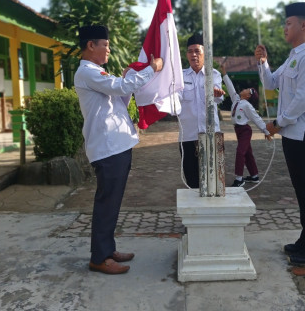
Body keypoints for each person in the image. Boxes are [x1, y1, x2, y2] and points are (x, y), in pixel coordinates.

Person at [74, 25, 163, 274]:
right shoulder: (87, 72)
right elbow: (121, 88)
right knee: (106, 202)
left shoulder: (97, 73)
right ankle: (99, 258)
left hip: (117, 145)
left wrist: (127, 80)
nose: (109, 50)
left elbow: (119, 98)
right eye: (106, 45)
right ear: (91, 45)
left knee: (112, 203)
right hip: (107, 148)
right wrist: (150, 69)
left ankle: (107, 248)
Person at [255, 2, 305, 266]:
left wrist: (278, 123)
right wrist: (263, 63)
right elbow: (271, 84)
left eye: (289, 23)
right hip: (293, 134)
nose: (285, 27)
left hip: (304, 133)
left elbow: (302, 99)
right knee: (301, 189)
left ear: (304, 25)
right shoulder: (294, 56)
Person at [178, 33, 225, 188]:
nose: (193, 55)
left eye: (197, 51)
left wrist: (216, 93)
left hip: (211, 135)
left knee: (213, 183)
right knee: (192, 182)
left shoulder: (214, 75)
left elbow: (218, 97)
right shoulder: (180, 77)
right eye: (190, 51)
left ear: (205, 53)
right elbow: (174, 100)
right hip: (188, 137)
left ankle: (213, 212)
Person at [221, 64, 271, 187]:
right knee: (247, 153)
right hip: (238, 130)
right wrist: (225, 75)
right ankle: (254, 176)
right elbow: (231, 88)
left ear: (248, 96)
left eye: (246, 90)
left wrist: (266, 131)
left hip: (245, 131)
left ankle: (239, 178)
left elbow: (256, 118)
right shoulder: (237, 100)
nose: (243, 90)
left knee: (240, 152)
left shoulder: (247, 106)